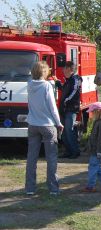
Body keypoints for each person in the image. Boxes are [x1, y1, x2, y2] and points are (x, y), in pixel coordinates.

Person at [25, 61, 64, 196]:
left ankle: (30, 188)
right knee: (51, 157)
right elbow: (52, 107)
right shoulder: (47, 86)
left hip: (33, 124)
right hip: (47, 124)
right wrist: (58, 123)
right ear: (45, 72)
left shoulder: (29, 85)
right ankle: (53, 188)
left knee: (32, 157)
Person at [55, 61, 82, 159]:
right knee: (64, 131)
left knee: (69, 130)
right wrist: (58, 84)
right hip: (64, 109)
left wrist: (66, 100)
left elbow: (74, 92)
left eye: (64, 68)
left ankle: (75, 151)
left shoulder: (76, 79)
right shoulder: (68, 80)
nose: (63, 70)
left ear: (70, 69)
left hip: (71, 109)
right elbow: (65, 89)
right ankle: (68, 151)